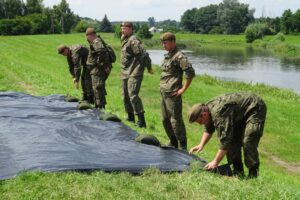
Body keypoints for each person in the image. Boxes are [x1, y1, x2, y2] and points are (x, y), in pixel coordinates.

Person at [188, 92, 267, 178]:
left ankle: (253, 175)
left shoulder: (218, 114)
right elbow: (209, 128)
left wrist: (215, 162)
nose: (200, 124)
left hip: (254, 108)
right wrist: (201, 144)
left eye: (200, 121)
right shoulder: (206, 109)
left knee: (248, 141)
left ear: (204, 114)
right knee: (232, 141)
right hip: (239, 113)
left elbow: (225, 141)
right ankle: (238, 173)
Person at [160, 32, 195, 150]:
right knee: (165, 120)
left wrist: (183, 89)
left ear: (173, 42)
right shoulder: (168, 55)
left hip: (173, 93)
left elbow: (190, 73)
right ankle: (173, 142)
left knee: (176, 120)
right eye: (163, 43)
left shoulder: (179, 56)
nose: (163, 45)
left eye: (165, 43)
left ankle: (183, 145)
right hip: (164, 92)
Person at [120, 22, 153, 128]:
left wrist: (149, 67)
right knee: (125, 96)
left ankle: (141, 121)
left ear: (131, 29)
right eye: (122, 28)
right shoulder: (125, 39)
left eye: (125, 28)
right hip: (126, 71)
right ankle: (130, 117)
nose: (122, 30)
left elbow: (143, 55)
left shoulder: (133, 40)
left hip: (135, 71)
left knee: (133, 95)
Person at [85, 28, 112, 109]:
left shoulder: (96, 41)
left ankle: (100, 107)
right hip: (96, 68)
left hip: (98, 69)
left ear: (90, 35)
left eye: (87, 37)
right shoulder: (96, 41)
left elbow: (101, 52)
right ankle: (98, 105)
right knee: (97, 87)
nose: (87, 39)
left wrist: (101, 64)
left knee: (98, 87)